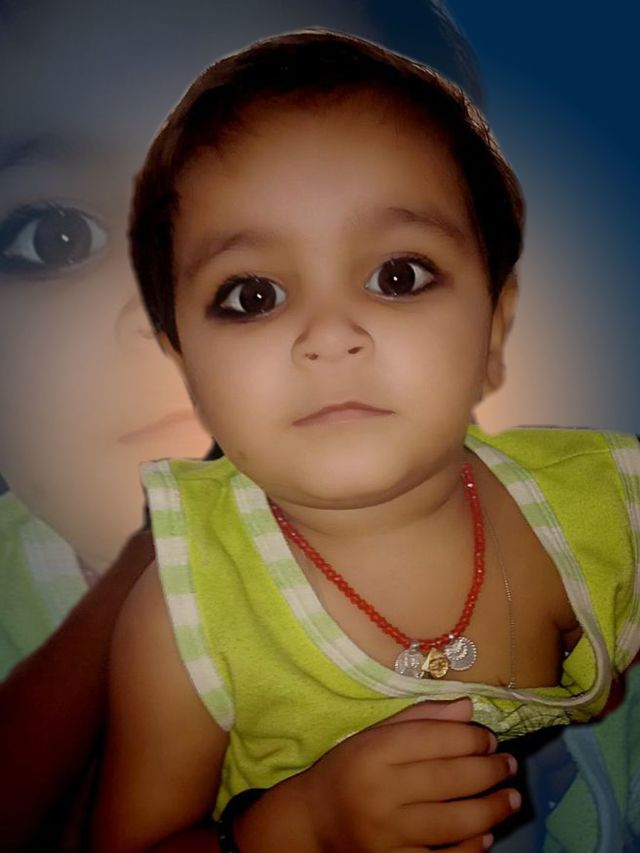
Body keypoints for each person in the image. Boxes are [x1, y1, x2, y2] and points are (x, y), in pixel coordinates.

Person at [91, 30, 640, 851]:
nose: (330, 336)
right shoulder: (187, 616)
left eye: (397, 276)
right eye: (253, 295)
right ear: (184, 361)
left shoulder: (603, 501)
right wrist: (300, 825)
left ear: (494, 327)